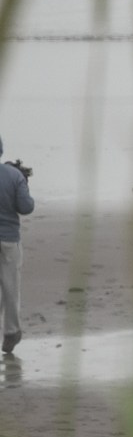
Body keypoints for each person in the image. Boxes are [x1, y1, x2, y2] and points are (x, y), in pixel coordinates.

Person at [0, 140, 32, 356]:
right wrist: (24, 183)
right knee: (10, 288)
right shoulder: (14, 175)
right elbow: (26, 207)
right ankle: (11, 331)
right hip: (9, 239)